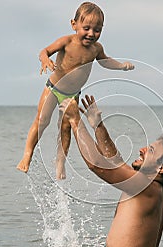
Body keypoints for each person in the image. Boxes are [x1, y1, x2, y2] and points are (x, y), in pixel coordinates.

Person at [17, 2, 134, 178]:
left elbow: (105, 61)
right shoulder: (66, 41)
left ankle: (60, 162)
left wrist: (122, 66)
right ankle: (27, 156)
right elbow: (45, 51)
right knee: (42, 121)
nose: (91, 34)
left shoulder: (96, 49)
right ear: (74, 24)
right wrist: (45, 60)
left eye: (97, 30)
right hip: (54, 88)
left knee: (66, 128)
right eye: (86, 28)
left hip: (72, 94)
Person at [61, 95, 163, 247]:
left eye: (151, 151)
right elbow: (115, 161)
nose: (142, 150)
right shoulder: (161, 193)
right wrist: (98, 126)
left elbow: (97, 165)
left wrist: (75, 119)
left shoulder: (145, 187)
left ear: (161, 168)